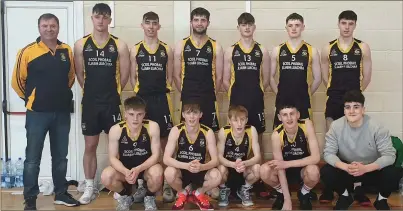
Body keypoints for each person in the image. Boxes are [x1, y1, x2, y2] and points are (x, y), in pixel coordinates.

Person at [11, 13, 80, 210]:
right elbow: (17, 82)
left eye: (52, 26)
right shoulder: (27, 51)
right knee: (33, 158)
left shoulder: (66, 50)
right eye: (45, 26)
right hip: (37, 113)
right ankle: (30, 198)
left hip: (61, 113)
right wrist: (33, 97)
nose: (49, 29)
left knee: (60, 157)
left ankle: (61, 193)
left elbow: (71, 77)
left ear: (58, 27)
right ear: (39, 28)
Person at [74, 3, 130, 205]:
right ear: (92, 18)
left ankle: (117, 185)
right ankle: (90, 185)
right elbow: (80, 75)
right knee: (91, 145)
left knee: (117, 145)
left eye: (105, 17)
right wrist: (92, 92)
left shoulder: (119, 45)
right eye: (98, 16)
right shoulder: (81, 44)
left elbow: (124, 76)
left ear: (110, 19)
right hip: (90, 103)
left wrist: (112, 93)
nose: (101, 20)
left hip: (111, 103)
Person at [319, 10, 372, 203]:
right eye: (344, 23)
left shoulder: (362, 47)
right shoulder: (328, 48)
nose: (347, 27)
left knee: (356, 144)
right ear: (338, 24)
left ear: (355, 25)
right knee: (330, 142)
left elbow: (367, 76)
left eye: (350, 23)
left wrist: (354, 97)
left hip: (354, 101)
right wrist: (336, 92)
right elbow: (325, 77)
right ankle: (329, 186)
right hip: (334, 100)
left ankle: (357, 188)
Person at [321, 90, 400, 210]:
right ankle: (345, 195)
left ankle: (381, 199)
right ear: (344, 110)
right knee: (326, 171)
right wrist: (346, 167)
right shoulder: (336, 126)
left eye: (356, 107)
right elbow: (328, 153)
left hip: (370, 169)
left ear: (363, 109)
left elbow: (390, 155)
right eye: (348, 107)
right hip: (348, 169)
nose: (351, 111)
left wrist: (366, 168)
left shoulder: (377, 127)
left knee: (393, 173)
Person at [129, 11, 175, 204]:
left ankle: (165, 184)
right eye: (147, 23)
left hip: (161, 100)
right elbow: (132, 78)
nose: (150, 27)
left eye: (154, 23)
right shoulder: (135, 49)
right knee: (142, 142)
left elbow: (170, 76)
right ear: (142, 25)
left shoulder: (166, 49)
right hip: (143, 100)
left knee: (164, 143)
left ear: (158, 27)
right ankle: (142, 185)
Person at [100, 96, 163, 211]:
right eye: (131, 114)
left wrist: (139, 169)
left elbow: (156, 156)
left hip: (145, 169)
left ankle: (149, 197)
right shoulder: (116, 129)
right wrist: (125, 171)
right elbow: (112, 158)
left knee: (157, 173)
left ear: (144, 114)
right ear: (125, 114)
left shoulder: (152, 127)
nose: (135, 119)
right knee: (106, 176)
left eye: (139, 114)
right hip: (126, 170)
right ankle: (125, 196)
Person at [223, 12, 269, 160]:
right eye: (243, 25)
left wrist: (256, 92)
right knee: (233, 136)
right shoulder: (231, 51)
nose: (247, 27)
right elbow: (225, 79)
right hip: (237, 99)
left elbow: (266, 79)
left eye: (249, 24)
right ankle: (232, 172)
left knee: (258, 137)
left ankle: (258, 175)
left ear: (254, 27)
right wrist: (234, 95)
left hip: (256, 100)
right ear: (238, 27)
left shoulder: (262, 50)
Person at [260, 104, 320, 210]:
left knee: (313, 171)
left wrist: (288, 163)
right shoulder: (276, 135)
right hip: (284, 170)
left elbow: (316, 157)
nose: (289, 118)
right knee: (264, 170)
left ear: (298, 115)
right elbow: (280, 166)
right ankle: (281, 194)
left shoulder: (307, 125)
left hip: (302, 168)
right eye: (285, 115)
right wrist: (288, 200)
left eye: (292, 114)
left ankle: (304, 194)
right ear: (279, 118)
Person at [173, 7, 223, 132]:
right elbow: (176, 75)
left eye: (203, 20)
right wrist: (186, 91)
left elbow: (219, 77)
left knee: (211, 132)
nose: (199, 23)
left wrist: (210, 92)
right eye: (196, 20)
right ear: (191, 22)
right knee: (186, 132)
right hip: (188, 96)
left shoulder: (216, 46)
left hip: (208, 97)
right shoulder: (181, 45)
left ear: (208, 23)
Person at [163, 103, 221, 210]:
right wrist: (186, 166)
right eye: (188, 113)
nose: (192, 117)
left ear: (200, 115)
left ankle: (199, 193)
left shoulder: (208, 132)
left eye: (195, 113)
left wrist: (202, 167)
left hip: (200, 169)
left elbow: (216, 160)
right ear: (183, 115)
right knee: (169, 172)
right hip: (182, 169)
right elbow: (166, 159)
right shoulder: (176, 130)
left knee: (217, 176)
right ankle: (182, 193)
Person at [269, 13, 321, 129]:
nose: (293, 28)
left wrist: (307, 93)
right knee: (279, 135)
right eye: (290, 25)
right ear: (286, 28)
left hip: (302, 101)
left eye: (297, 25)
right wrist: (279, 93)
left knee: (305, 135)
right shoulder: (278, 50)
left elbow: (318, 78)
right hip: (283, 100)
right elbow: (271, 77)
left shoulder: (311, 50)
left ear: (303, 27)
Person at [216, 105, 261, 207]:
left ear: (246, 120)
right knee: (220, 169)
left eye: (242, 119)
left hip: (243, 168)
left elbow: (258, 156)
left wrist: (245, 163)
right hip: (229, 167)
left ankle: (244, 189)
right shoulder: (224, 131)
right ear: (229, 121)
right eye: (235, 120)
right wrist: (233, 164)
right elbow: (219, 157)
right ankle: (224, 189)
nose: (239, 124)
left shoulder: (251, 130)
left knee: (258, 168)